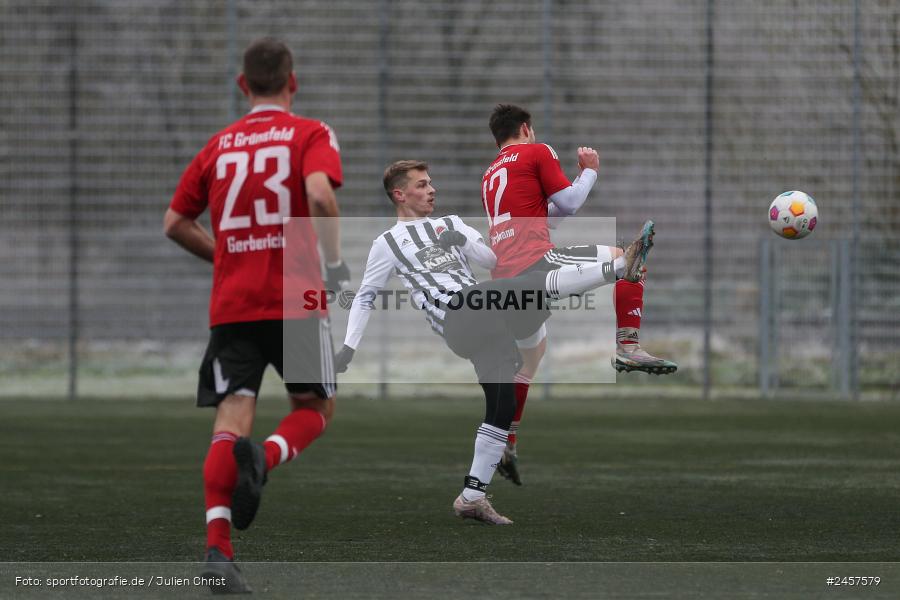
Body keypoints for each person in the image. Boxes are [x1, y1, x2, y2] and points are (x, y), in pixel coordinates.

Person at [333, 160, 621, 525]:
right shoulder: (386, 243)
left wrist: (465, 240)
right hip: (459, 315)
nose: (431, 189)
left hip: (488, 321)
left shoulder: (450, 223)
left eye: (431, 182)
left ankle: (471, 497)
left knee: (501, 408)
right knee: (524, 287)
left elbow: (490, 260)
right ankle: (617, 268)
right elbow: (366, 295)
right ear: (399, 194)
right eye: (421, 185)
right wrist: (349, 346)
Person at [164, 38, 348, 593]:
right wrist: (335, 263)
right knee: (316, 407)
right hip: (298, 297)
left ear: (243, 85)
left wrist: (226, 254)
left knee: (230, 418)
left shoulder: (217, 146)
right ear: (293, 81)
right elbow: (319, 195)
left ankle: (217, 551)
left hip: (235, 303)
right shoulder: (310, 133)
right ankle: (265, 459)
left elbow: (175, 222)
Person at [482, 104, 678, 486]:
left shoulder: (489, 173)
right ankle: (628, 345)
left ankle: (507, 440)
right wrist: (589, 170)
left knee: (531, 356)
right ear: (526, 128)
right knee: (627, 256)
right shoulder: (538, 151)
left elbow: (551, 216)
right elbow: (570, 202)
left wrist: (575, 182)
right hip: (535, 263)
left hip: (504, 280)